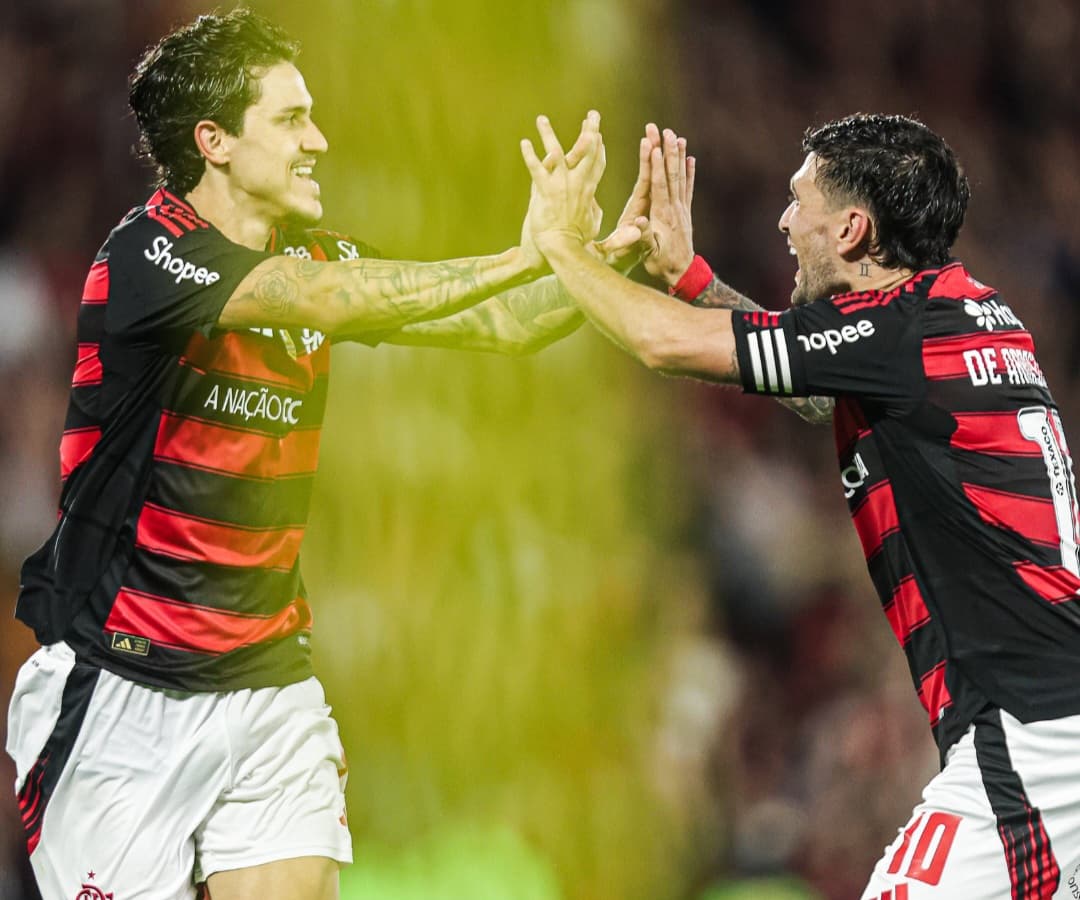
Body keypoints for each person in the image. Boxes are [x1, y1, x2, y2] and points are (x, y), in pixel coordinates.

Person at [4, 11, 653, 900]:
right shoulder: (148, 255)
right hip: (120, 690)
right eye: (291, 119)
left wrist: (598, 266)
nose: (319, 140)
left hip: (266, 684)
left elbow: (501, 324)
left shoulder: (314, 253)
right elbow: (325, 299)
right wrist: (521, 250)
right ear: (215, 141)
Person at [521, 110, 1080, 898]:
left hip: (1029, 739)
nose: (784, 221)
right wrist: (691, 279)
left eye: (800, 200)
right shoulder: (969, 317)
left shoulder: (898, 336)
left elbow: (663, 343)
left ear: (852, 228)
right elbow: (828, 394)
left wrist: (557, 245)